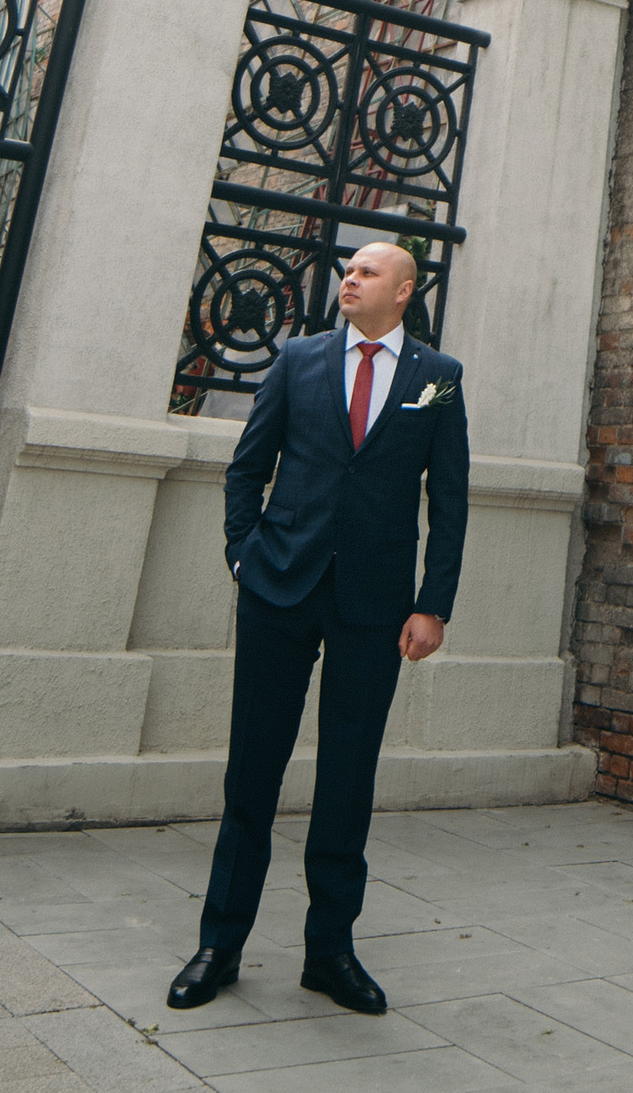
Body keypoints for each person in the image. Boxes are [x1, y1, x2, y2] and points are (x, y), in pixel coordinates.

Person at [166, 238, 469, 1017]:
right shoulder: (299, 359)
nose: (350, 280)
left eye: (367, 272)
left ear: (403, 291)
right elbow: (246, 467)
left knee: (348, 777)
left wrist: (433, 603)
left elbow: (452, 496)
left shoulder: (437, 380)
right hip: (279, 589)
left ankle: (330, 952)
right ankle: (220, 944)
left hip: (375, 606)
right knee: (252, 772)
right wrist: (243, 555)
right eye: (348, 271)